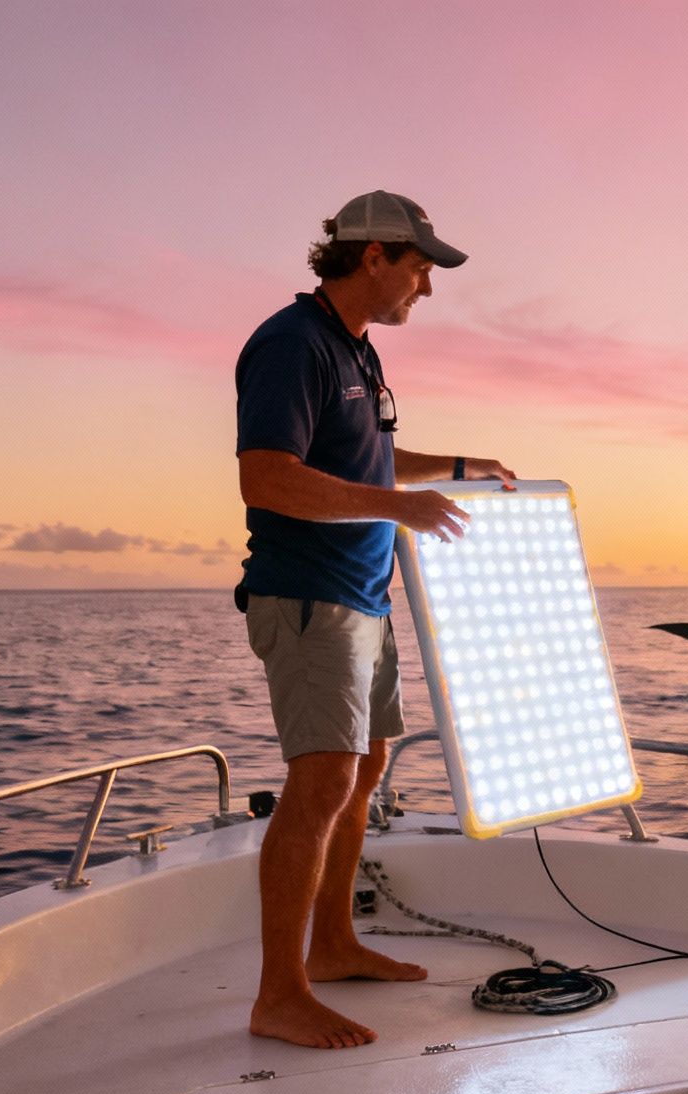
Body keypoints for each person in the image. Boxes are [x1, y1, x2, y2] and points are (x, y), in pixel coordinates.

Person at [235, 190, 514, 1050]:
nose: (424, 288)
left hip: (364, 595)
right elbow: (267, 477)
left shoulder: (356, 353)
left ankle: (335, 945)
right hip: (309, 597)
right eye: (420, 267)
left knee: (364, 773)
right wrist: (402, 505)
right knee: (320, 782)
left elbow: (371, 454)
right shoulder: (291, 345)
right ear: (374, 257)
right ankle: (278, 994)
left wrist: (460, 465)